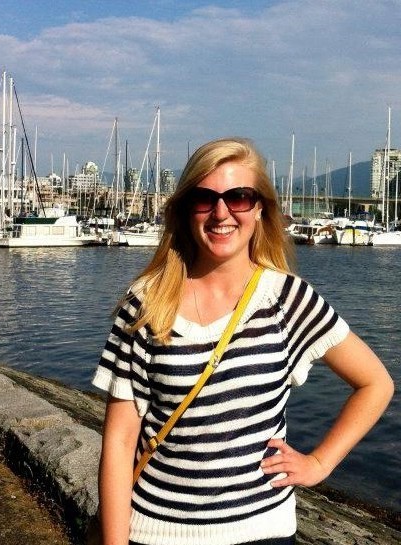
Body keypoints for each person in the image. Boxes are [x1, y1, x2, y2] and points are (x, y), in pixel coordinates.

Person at [92, 137, 394, 545]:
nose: (221, 213)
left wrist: (320, 463)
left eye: (238, 197)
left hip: (263, 531)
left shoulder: (287, 299)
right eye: (205, 198)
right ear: (186, 209)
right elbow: (120, 439)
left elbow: (375, 383)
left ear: (259, 208)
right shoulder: (147, 303)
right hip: (158, 531)